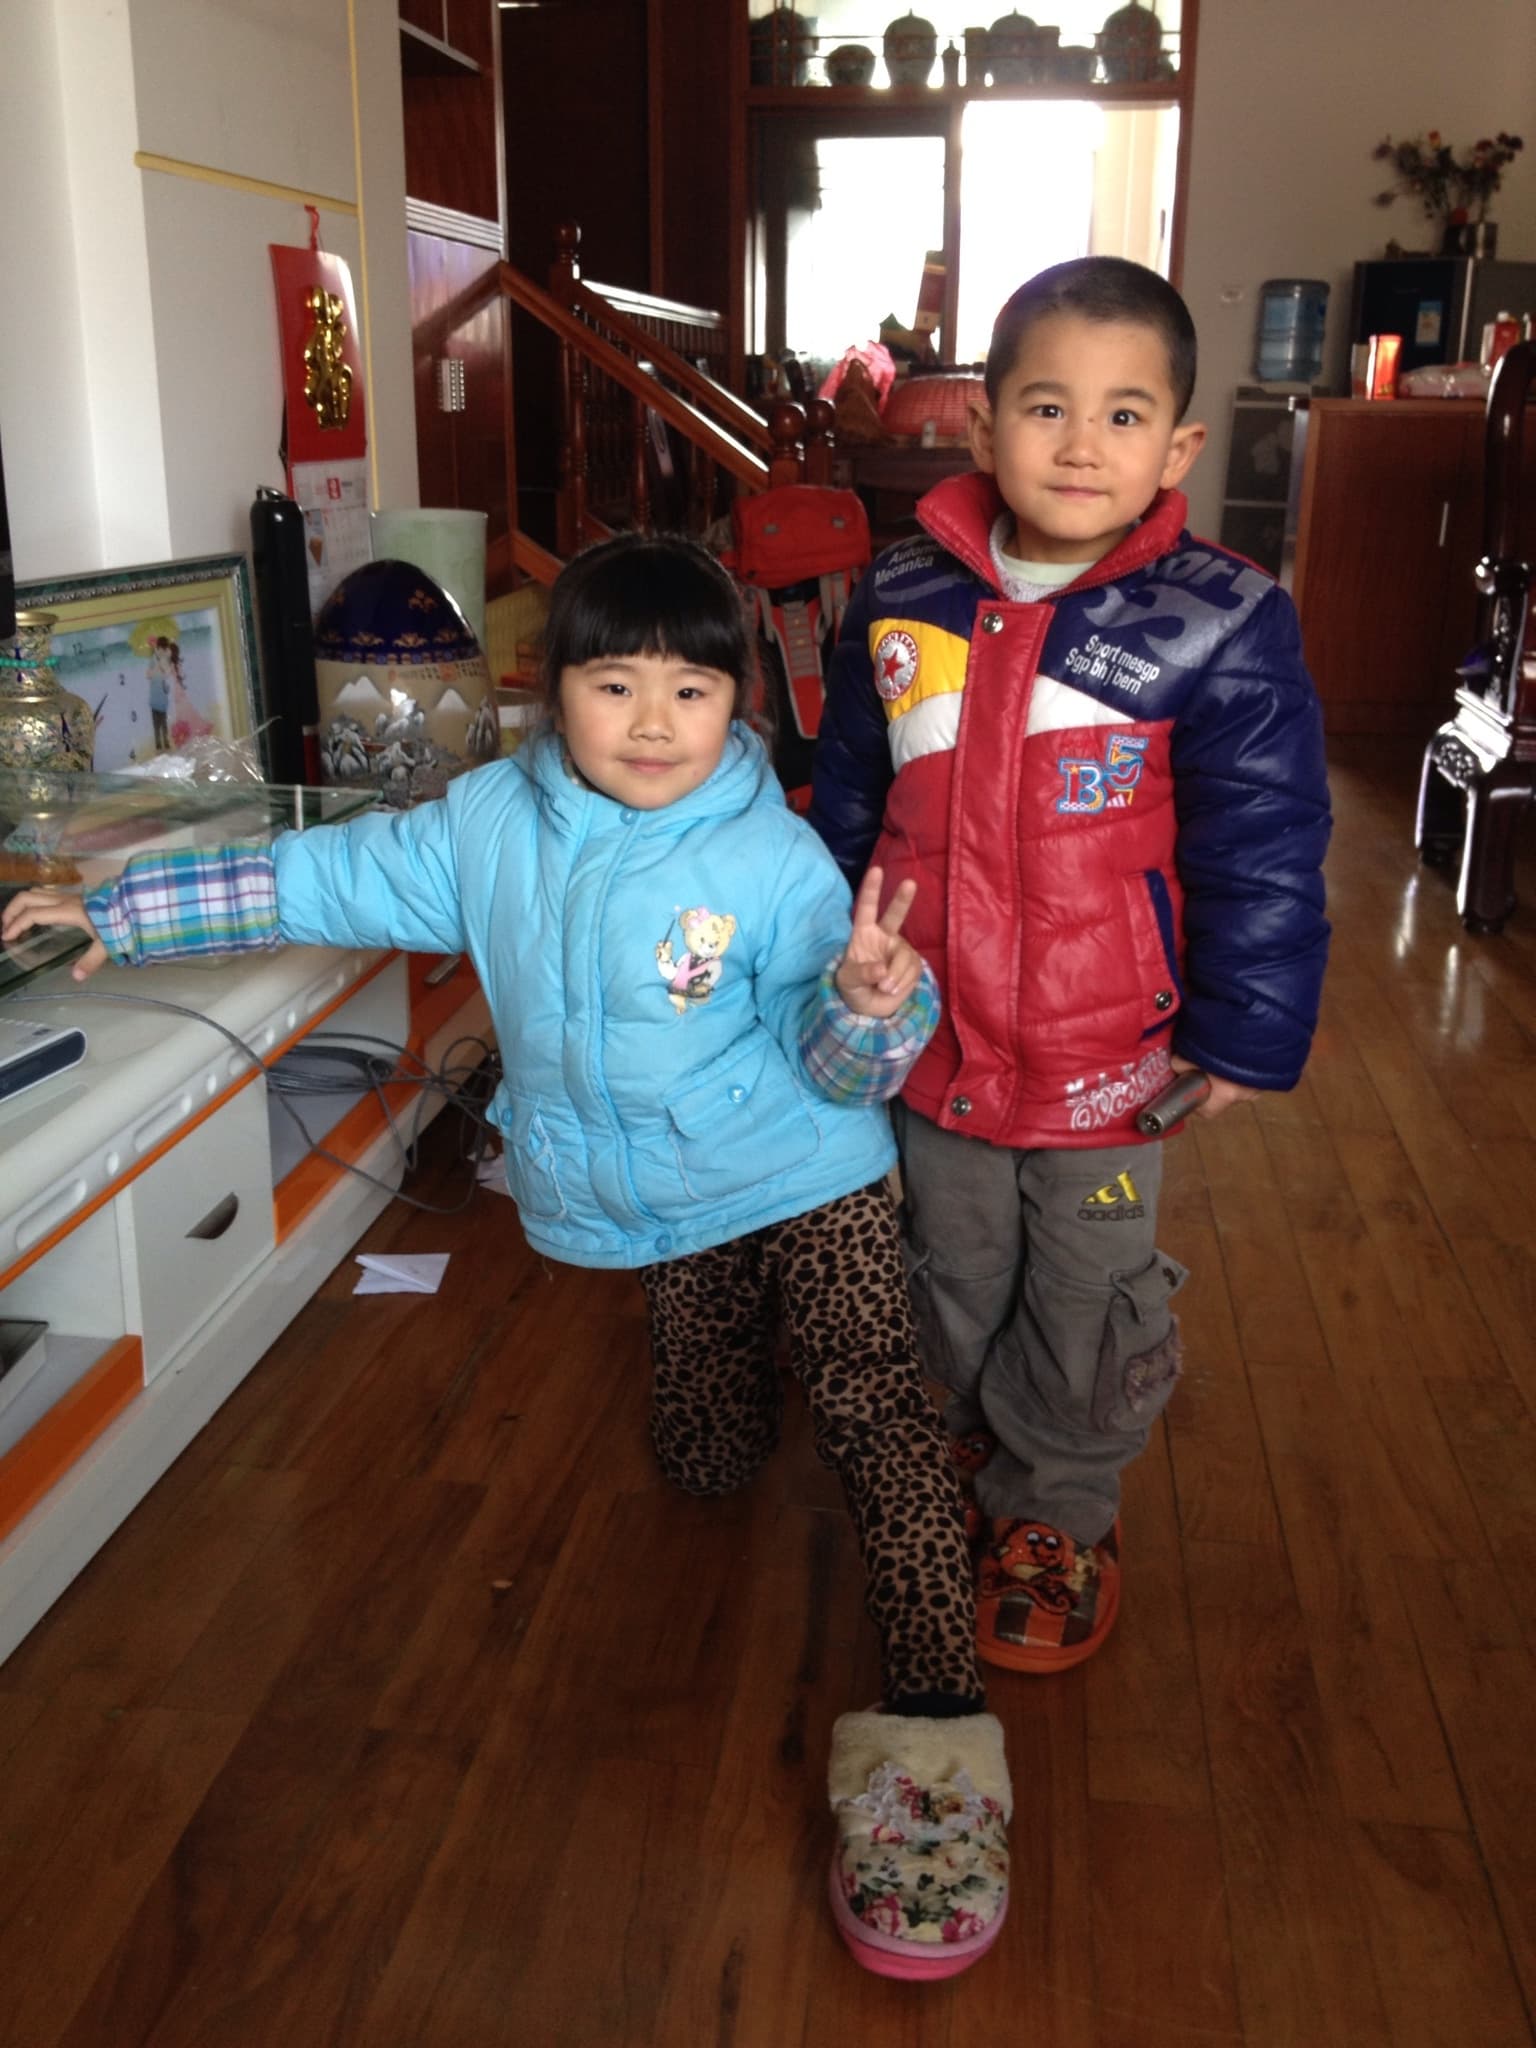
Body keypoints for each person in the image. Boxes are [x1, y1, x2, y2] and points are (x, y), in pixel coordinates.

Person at [2, 533, 1012, 1981]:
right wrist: (121, 909)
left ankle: (935, 1698)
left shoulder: (770, 856)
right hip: (661, 1193)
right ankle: (722, 1431)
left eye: (693, 688)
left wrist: (868, 1004)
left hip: (805, 1172)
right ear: (553, 695)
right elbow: (316, 877)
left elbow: (844, 1076)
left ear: (741, 704)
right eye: (614, 684)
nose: (655, 722)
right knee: (706, 1432)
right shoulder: (482, 825)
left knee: (872, 1411)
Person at [809, 257, 1332, 1677]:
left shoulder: (1221, 619)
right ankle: (982, 1436)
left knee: (1089, 1285)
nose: (1081, 444)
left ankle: (1058, 1505)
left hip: (1117, 1058)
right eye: (1047, 406)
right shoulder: (899, 595)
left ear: (1176, 446)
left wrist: (1244, 1033)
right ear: (983, 425)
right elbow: (849, 798)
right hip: (937, 1039)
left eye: (1122, 414)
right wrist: (829, 955)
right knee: (955, 1262)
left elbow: (1267, 844)